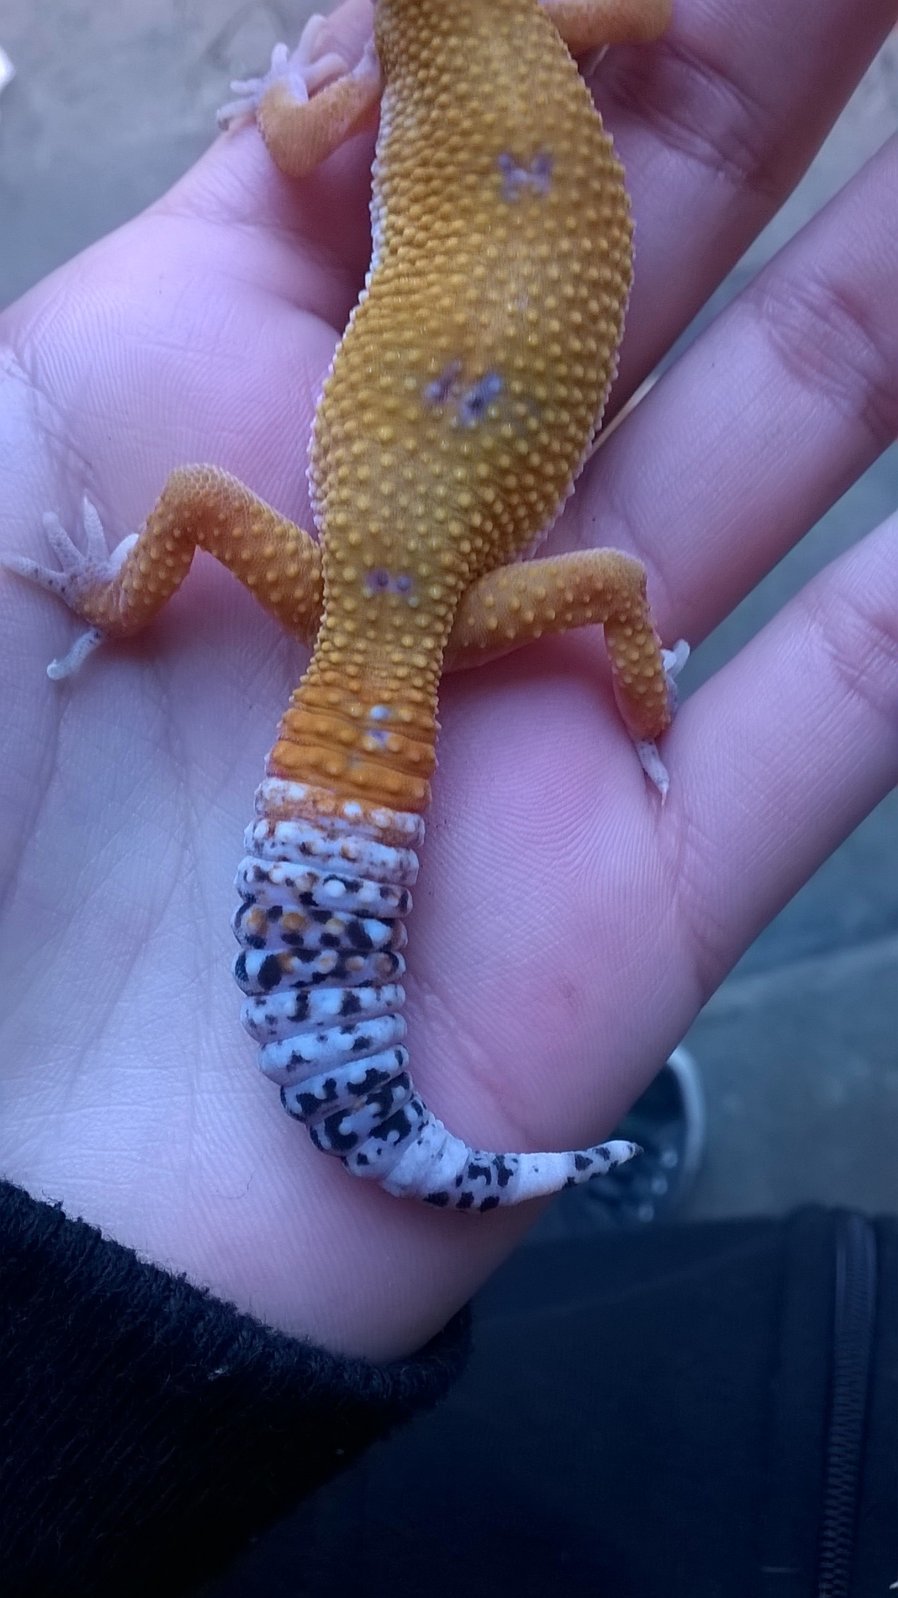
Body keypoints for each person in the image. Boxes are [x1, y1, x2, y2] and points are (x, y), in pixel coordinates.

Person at [1, 0, 896, 1590]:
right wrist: (644, 704)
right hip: (430, 594)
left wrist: (288, 99)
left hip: (372, 580)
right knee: (605, 586)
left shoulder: (396, 58)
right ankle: (480, 1138)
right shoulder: (546, 27)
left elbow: (296, 146)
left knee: (554, 575)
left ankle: (116, 605)